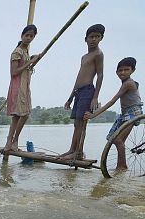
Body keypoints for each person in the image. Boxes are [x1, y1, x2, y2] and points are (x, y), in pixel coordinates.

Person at [84, 57, 143, 171]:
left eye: (126, 70)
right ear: (116, 72)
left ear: (133, 70)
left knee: (117, 140)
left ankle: (122, 166)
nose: (123, 72)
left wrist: (93, 115)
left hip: (133, 113)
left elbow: (112, 101)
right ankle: (121, 166)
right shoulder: (126, 83)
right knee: (118, 140)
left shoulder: (128, 83)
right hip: (126, 114)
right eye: (120, 70)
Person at [58, 24, 105, 161]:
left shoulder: (98, 54)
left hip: (88, 91)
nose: (94, 39)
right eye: (91, 37)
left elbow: (100, 75)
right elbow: (78, 78)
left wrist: (95, 96)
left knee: (81, 123)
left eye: (97, 37)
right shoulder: (84, 57)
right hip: (78, 92)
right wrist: (70, 98)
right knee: (76, 124)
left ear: (101, 38)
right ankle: (73, 150)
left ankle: (77, 152)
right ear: (86, 39)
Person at [4, 25, 38, 152]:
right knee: (24, 114)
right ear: (22, 36)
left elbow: (25, 66)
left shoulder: (25, 52)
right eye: (27, 35)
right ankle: (13, 141)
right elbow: (14, 72)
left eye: (31, 36)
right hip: (18, 88)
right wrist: (29, 62)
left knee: (17, 117)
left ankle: (11, 142)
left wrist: (32, 59)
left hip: (24, 87)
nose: (29, 38)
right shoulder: (17, 52)